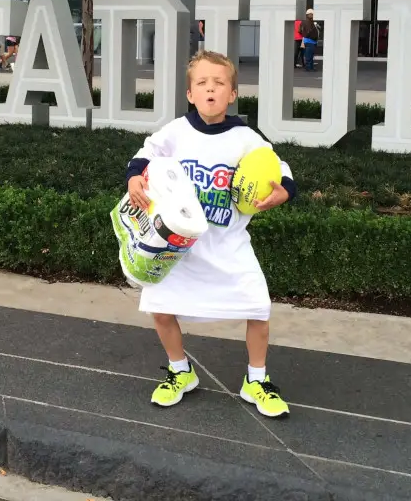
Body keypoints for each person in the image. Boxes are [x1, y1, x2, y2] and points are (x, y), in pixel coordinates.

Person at [124, 50, 297, 418]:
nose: (210, 89)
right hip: (180, 249)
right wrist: (135, 177)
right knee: (160, 309)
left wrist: (283, 189)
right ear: (190, 94)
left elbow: (278, 167)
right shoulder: (176, 131)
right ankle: (180, 371)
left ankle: (256, 380)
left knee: (258, 309)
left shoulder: (245, 137)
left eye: (219, 83)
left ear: (233, 93)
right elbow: (144, 155)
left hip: (228, 245)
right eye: (202, 83)